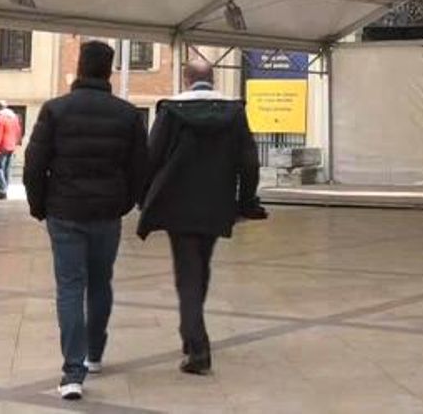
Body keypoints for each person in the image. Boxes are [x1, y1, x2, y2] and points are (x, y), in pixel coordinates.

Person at [24, 41, 149, 401]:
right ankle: (95, 352)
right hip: (107, 213)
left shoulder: (55, 110)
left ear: (80, 68)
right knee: (100, 282)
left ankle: (72, 372)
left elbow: (34, 164)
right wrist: (124, 203)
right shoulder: (127, 114)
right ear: (109, 71)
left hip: (64, 212)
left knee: (69, 287)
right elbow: (140, 168)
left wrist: (38, 206)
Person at [138, 60, 266, 377]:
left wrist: (143, 198)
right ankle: (192, 334)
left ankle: (197, 347)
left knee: (188, 274)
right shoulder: (234, 112)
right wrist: (245, 202)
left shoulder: (171, 110)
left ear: (186, 79)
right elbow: (250, 162)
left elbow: (151, 157)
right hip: (216, 203)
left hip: (178, 204)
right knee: (200, 267)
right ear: (213, 78)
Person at [0, 101, 22, 200]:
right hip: (11, 146)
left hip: (2, 147)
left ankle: (2, 190)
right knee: (6, 168)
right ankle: (5, 188)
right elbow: (18, 131)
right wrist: (16, 143)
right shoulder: (14, 118)